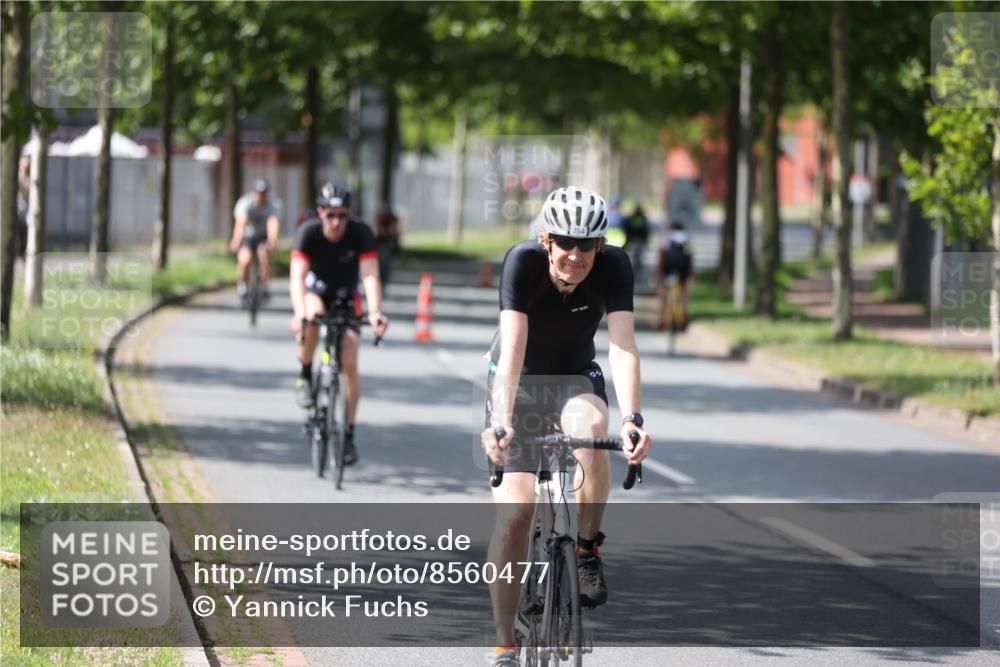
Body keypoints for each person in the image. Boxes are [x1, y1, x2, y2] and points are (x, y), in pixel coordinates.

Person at [480, 186, 652, 667]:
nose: (575, 255)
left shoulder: (615, 266)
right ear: (546, 240)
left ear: (601, 245)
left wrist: (633, 419)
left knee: (593, 433)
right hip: (519, 381)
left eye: (587, 245)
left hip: (575, 377)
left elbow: (623, 346)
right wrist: (502, 421)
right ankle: (504, 642)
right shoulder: (522, 263)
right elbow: (513, 348)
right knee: (515, 517)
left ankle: (586, 549)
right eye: (565, 243)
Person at [289, 182, 390, 465]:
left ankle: (348, 434)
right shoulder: (308, 232)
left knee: (350, 359)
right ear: (320, 212)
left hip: (346, 296)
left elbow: (370, 276)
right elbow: (297, 277)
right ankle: (305, 372)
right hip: (316, 292)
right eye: (330, 215)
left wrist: (375, 312)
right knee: (311, 317)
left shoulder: (361, 233)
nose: (336, 222)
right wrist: (298, 312)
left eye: (342, 215)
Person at [229, 179, 282, 302]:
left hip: (264, 235)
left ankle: (264, 285)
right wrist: (236, 240)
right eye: (258, 193)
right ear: (253, 192)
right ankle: (243, 285)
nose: (261, 196)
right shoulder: (245, 203)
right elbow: (240, 223)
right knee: (245, 260)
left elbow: (273, 223)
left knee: (264, 255)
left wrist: (273, 240)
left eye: (263, 193)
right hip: (248, 235)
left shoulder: (274, 205)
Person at [655, 222, 694, 331]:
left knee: (663, 292)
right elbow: (690, 257)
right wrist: (691, 273)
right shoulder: (687, 239)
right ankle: (684, 315)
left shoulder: (666, 238)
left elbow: (662, 256)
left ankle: (662, 318)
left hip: (668, 270)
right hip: (682, 271)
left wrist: (658, 273)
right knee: (683, 291)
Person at [624, 204, 650, 280]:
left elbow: (627, 229)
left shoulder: (631, 218)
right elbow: (646, 231)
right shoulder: (643, 219)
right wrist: (646, 240)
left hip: (632, 241)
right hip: (640, 241)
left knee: (632, 257)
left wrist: (627, 240)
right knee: (638, 257)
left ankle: (632, 272)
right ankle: (637, 272)